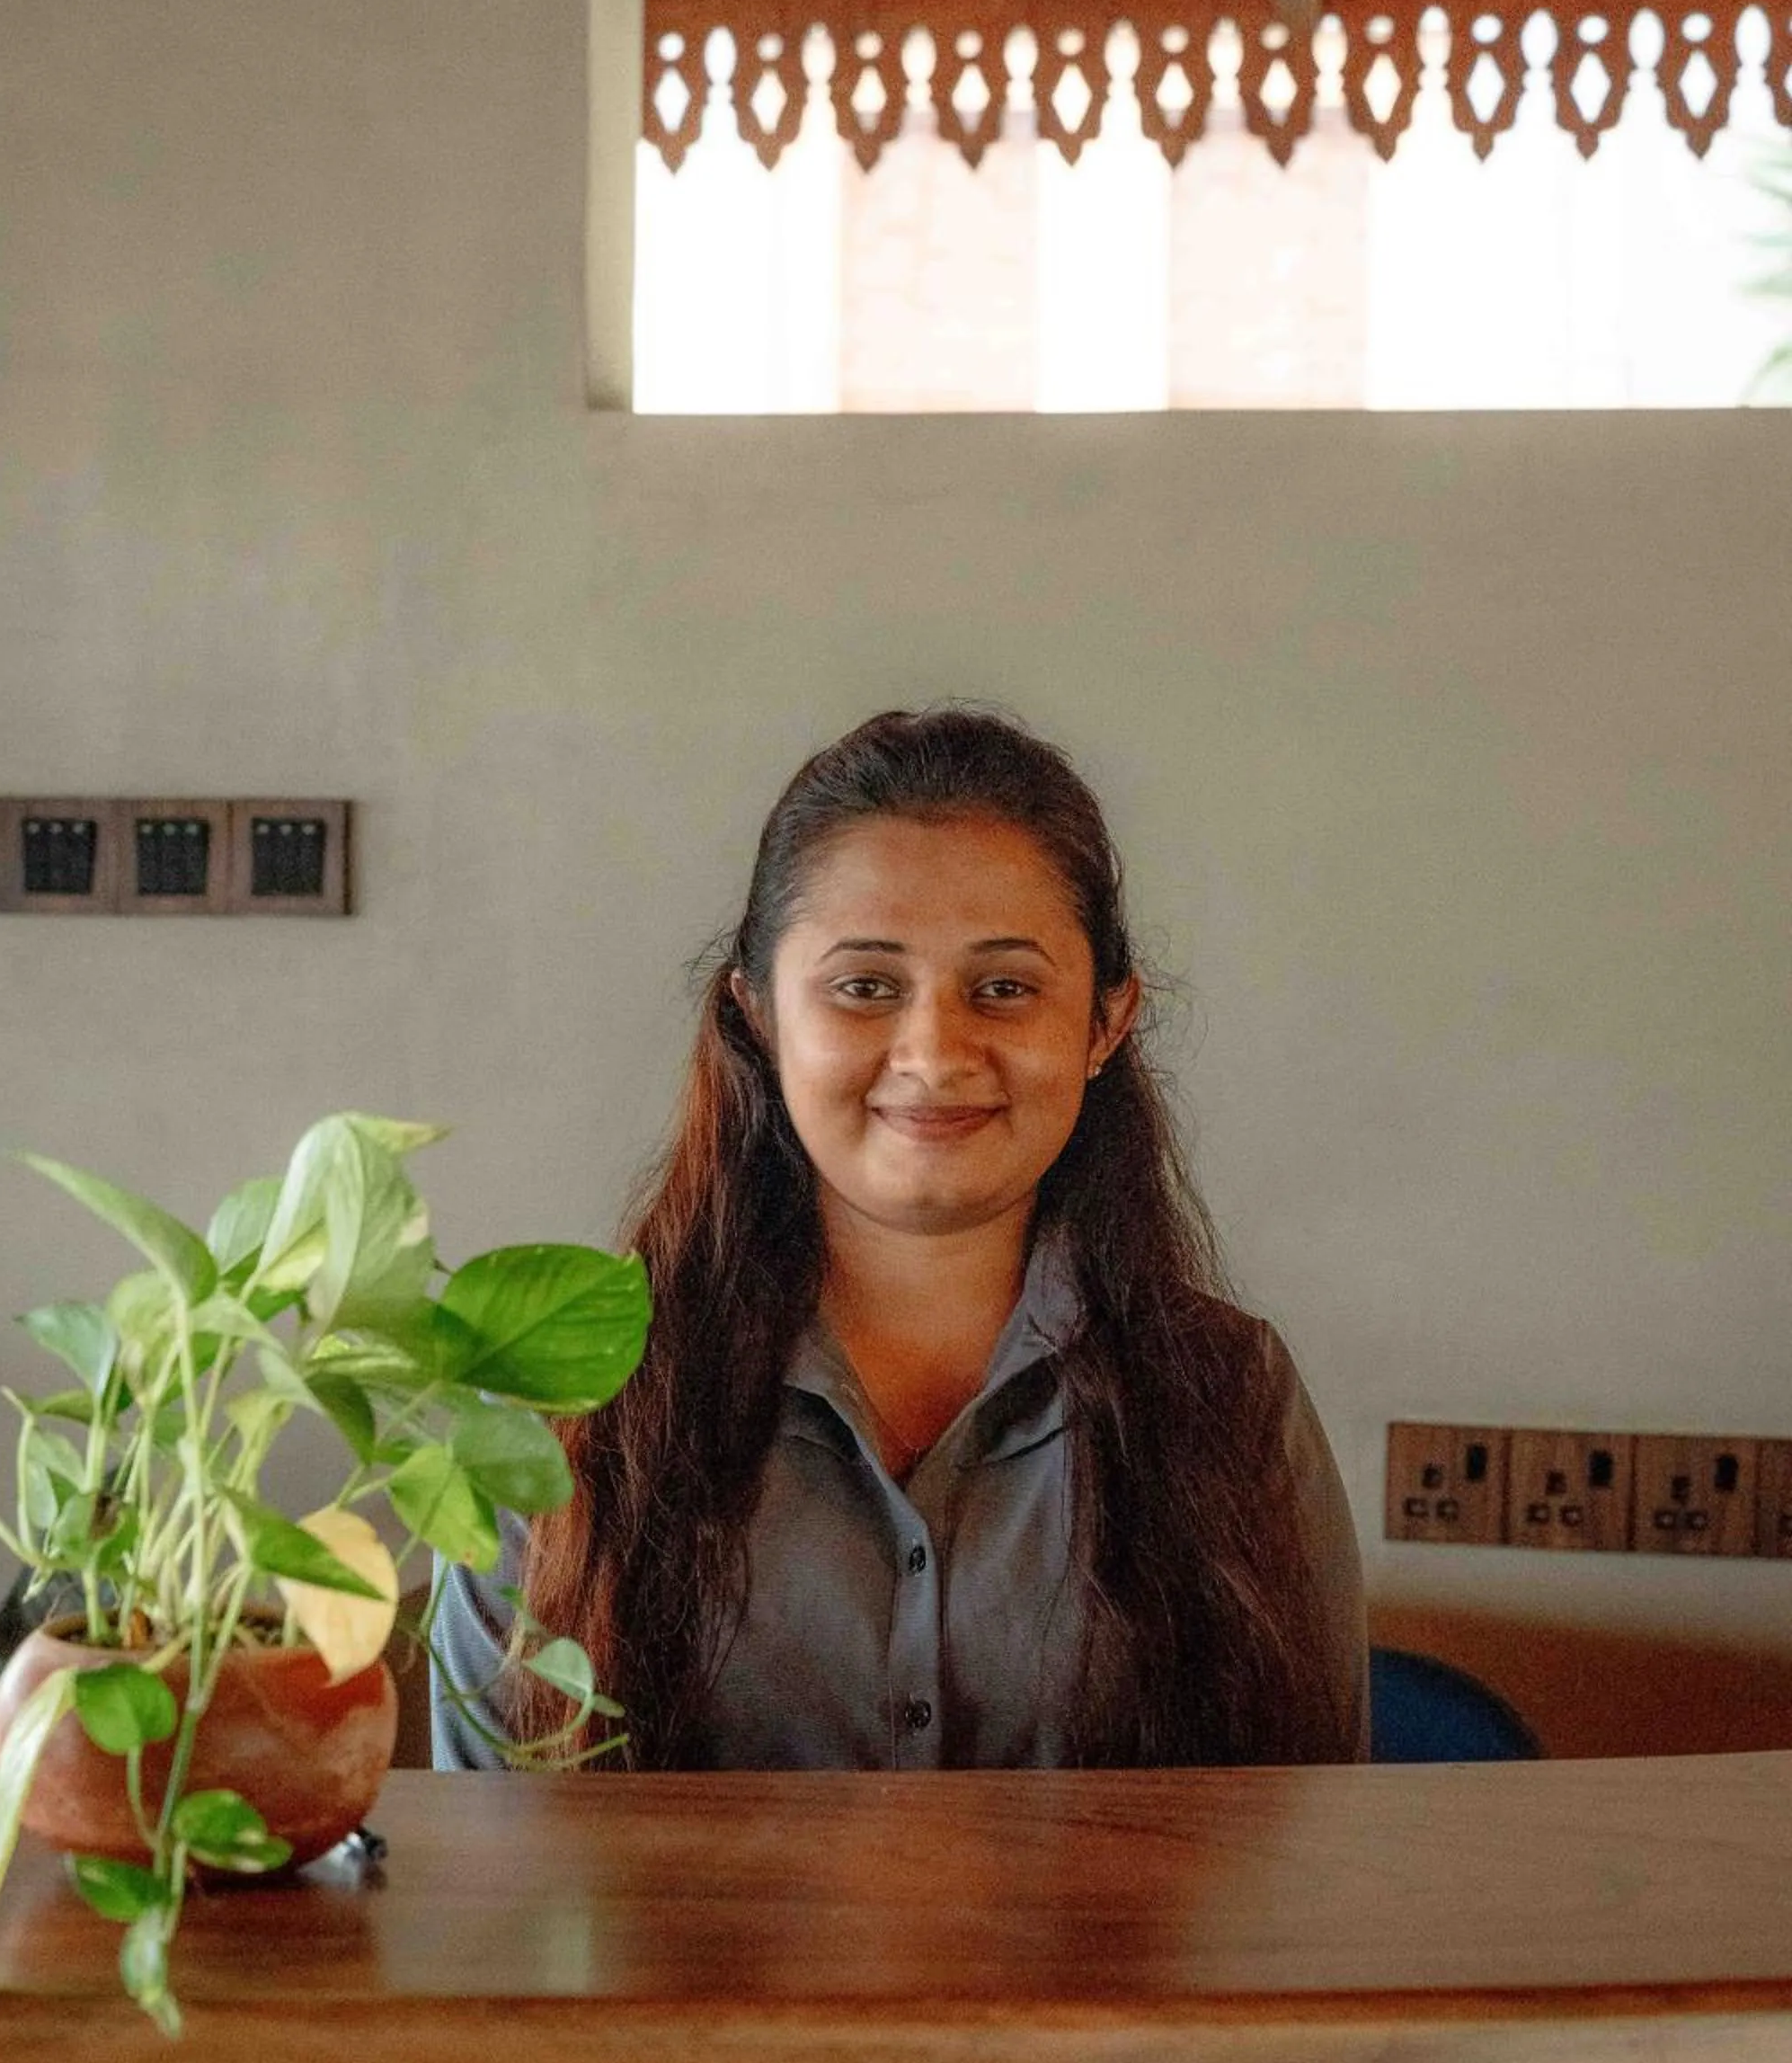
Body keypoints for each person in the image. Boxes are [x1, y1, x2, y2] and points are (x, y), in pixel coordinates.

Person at [430, 705, 1367, 1772]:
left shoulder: (1232, 1397)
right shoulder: (561, 1404)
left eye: (1003, 989)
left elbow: (1297, 1849)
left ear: (1105, 1024)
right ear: (756, 1014)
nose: (932, 1053)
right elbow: (501, 1879)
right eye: (864, 988)